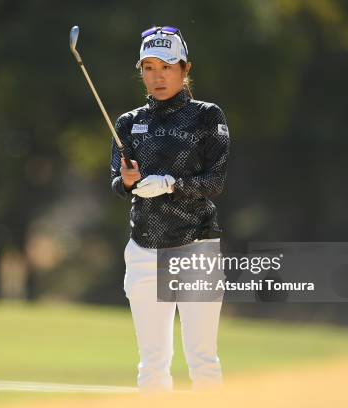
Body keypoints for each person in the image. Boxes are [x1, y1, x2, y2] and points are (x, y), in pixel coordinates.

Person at [110, 26, 230, 392]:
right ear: (141, 71)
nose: (157, 76)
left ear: (185, 68)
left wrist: (171, 184)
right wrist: (129, 181)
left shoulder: (208, 116)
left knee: (203, 361)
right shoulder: (128, 123)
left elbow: (215, 183)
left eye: (166, 66)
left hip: (197, 246)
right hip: (144, 249)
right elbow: (118, 181)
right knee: (152, 365)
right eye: (148, 67)